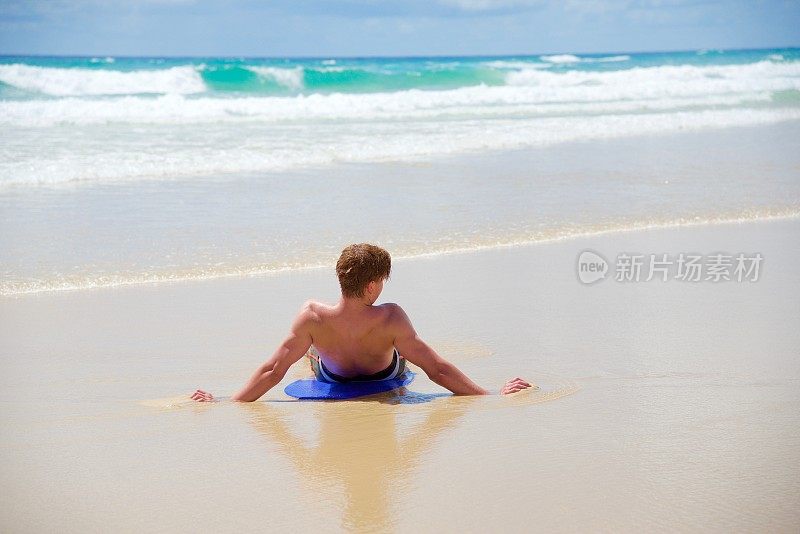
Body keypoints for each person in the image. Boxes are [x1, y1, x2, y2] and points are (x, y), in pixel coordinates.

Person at [191, 243, 534, 402]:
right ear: (372, 285)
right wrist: (490, 394)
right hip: (385, 375)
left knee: (309, 351)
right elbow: (437, 369)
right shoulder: (390, 317)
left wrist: (229, 402)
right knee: (403, 350)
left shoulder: (311, 316)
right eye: (382, 280)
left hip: (331, 374)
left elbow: (273, 370)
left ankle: (315, 356)